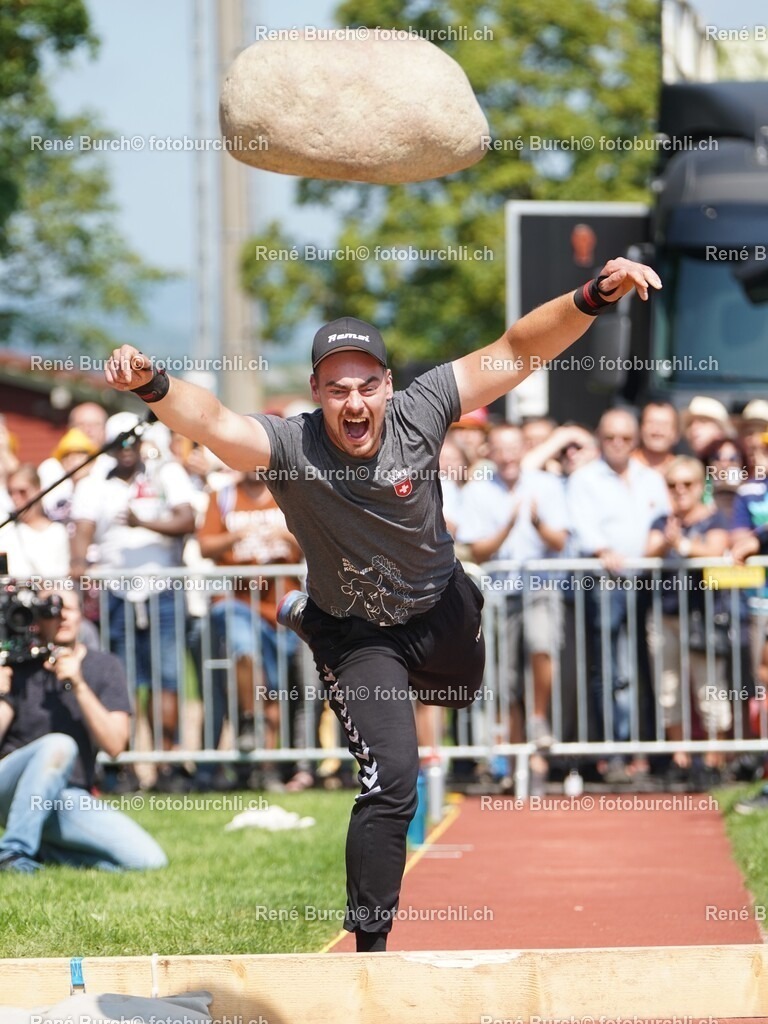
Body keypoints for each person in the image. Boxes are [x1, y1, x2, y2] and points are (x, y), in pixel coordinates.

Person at [104, 256, 661, 950]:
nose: (354, 404)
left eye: (368, 387)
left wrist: (594, 294)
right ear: (316, 392)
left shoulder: (422, 410)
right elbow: (213, 420)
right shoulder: (290, 445)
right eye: (338, 390)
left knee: (458, 692)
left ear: (388, 386)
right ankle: (369, 949)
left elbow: (518, 350)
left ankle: (305, 612)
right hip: (358, 634)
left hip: (443, 610)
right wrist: (151, 383)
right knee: (392, 779)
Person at [70, 414, 196, 792]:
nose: (126, 450)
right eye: (119, 443)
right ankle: (120, 765)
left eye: (132, 442)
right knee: (119, 680)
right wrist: (78, 569)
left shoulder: (165, 473)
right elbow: (82, 533)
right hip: (115, 593)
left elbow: (187, 519)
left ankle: (168, 764)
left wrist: (145, 525)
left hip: (163, 589)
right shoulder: (93, 483)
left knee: (167, 679)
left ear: (142, 443)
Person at [0, 588, 167, 872]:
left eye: (68, 609)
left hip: (67, 796)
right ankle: (13, 851)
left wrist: (78, 685)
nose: (62, 616)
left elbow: (115, 746)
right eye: (50, 610)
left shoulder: (105, 666)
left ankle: (42, 851)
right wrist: (2, 694)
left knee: (149, 861)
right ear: (35, 618)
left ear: (82, 616)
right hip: (10, 786)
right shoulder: (16, 664)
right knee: (59, 745)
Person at [567, 409, 669, 772]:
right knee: (611, 666)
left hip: (646, 582)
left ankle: (643, 750)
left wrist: (653, 548)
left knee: (646, 665)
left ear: (634, 440)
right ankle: (614, 749)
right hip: (605, 583)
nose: (618, 444)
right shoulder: (584, 478)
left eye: (625, 438)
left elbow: (662, 522)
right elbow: (583, 527)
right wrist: (603, 551)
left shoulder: (650, 477)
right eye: (610, 437)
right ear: (600, 438)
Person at [645, 457, 731, 787]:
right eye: (672, 485)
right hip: (665, 614)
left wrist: (681, 543)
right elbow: (646, 553)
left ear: (700, 486)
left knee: (710, 687)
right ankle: (680, 759)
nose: (679, 491)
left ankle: (713, 761)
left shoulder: (714, 519)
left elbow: (714, 552)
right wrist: (666, 541)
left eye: (687, 484)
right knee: (668, 690)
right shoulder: (661, 520)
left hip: (703, 616)